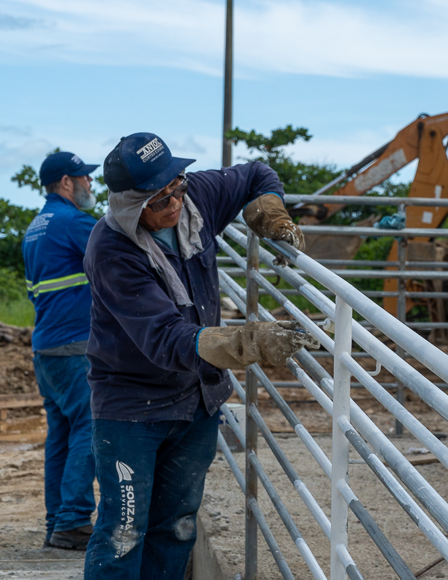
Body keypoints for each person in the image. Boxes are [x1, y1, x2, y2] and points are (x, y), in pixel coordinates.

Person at [82, 133, 317, 579]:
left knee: (177, 526)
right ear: (132, 204)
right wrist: (248, 343)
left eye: (177, 186)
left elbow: (253, 173)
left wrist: (269, 206)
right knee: (124, 529)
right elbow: (165, 339)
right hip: (131, 408)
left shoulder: (196, 198)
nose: (174, 203)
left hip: (197, 401)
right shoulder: (111, 249)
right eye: (159, 199)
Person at [22, 151, 100, 550]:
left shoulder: (35, 227)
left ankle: (58, 521)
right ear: (67, 182)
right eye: (85, 178)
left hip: (46, 348)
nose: (90, 184)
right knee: (88, 428)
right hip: (73, 347)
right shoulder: (74, 222)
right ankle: (71, 522)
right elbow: (119, 257)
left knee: (62, 436)